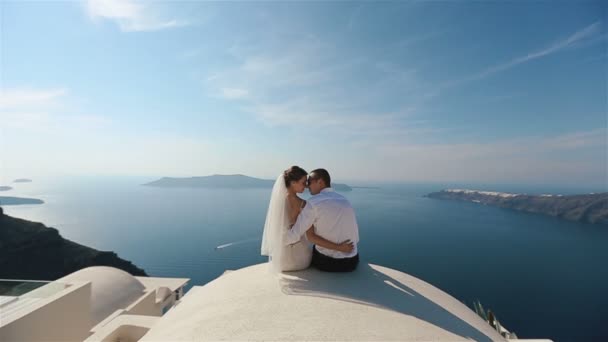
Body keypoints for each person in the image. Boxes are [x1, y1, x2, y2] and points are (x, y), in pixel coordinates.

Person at [261, 166, 353, 272]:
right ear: (293, 183)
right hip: (300, 260)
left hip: (281, 259)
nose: (306, 186)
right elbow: (311, 236)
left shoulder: (276, 204)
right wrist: (340, 247)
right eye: (303, 182)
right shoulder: (303, 204)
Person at [285, 168, 360, 272]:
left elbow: (298, 235)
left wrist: (278, 242)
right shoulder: (344, 200)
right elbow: (355, 237)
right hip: (353, 261)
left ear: (320, 182)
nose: (307, 186)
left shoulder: (313, 203)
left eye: (309, 182)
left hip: (329, 262)